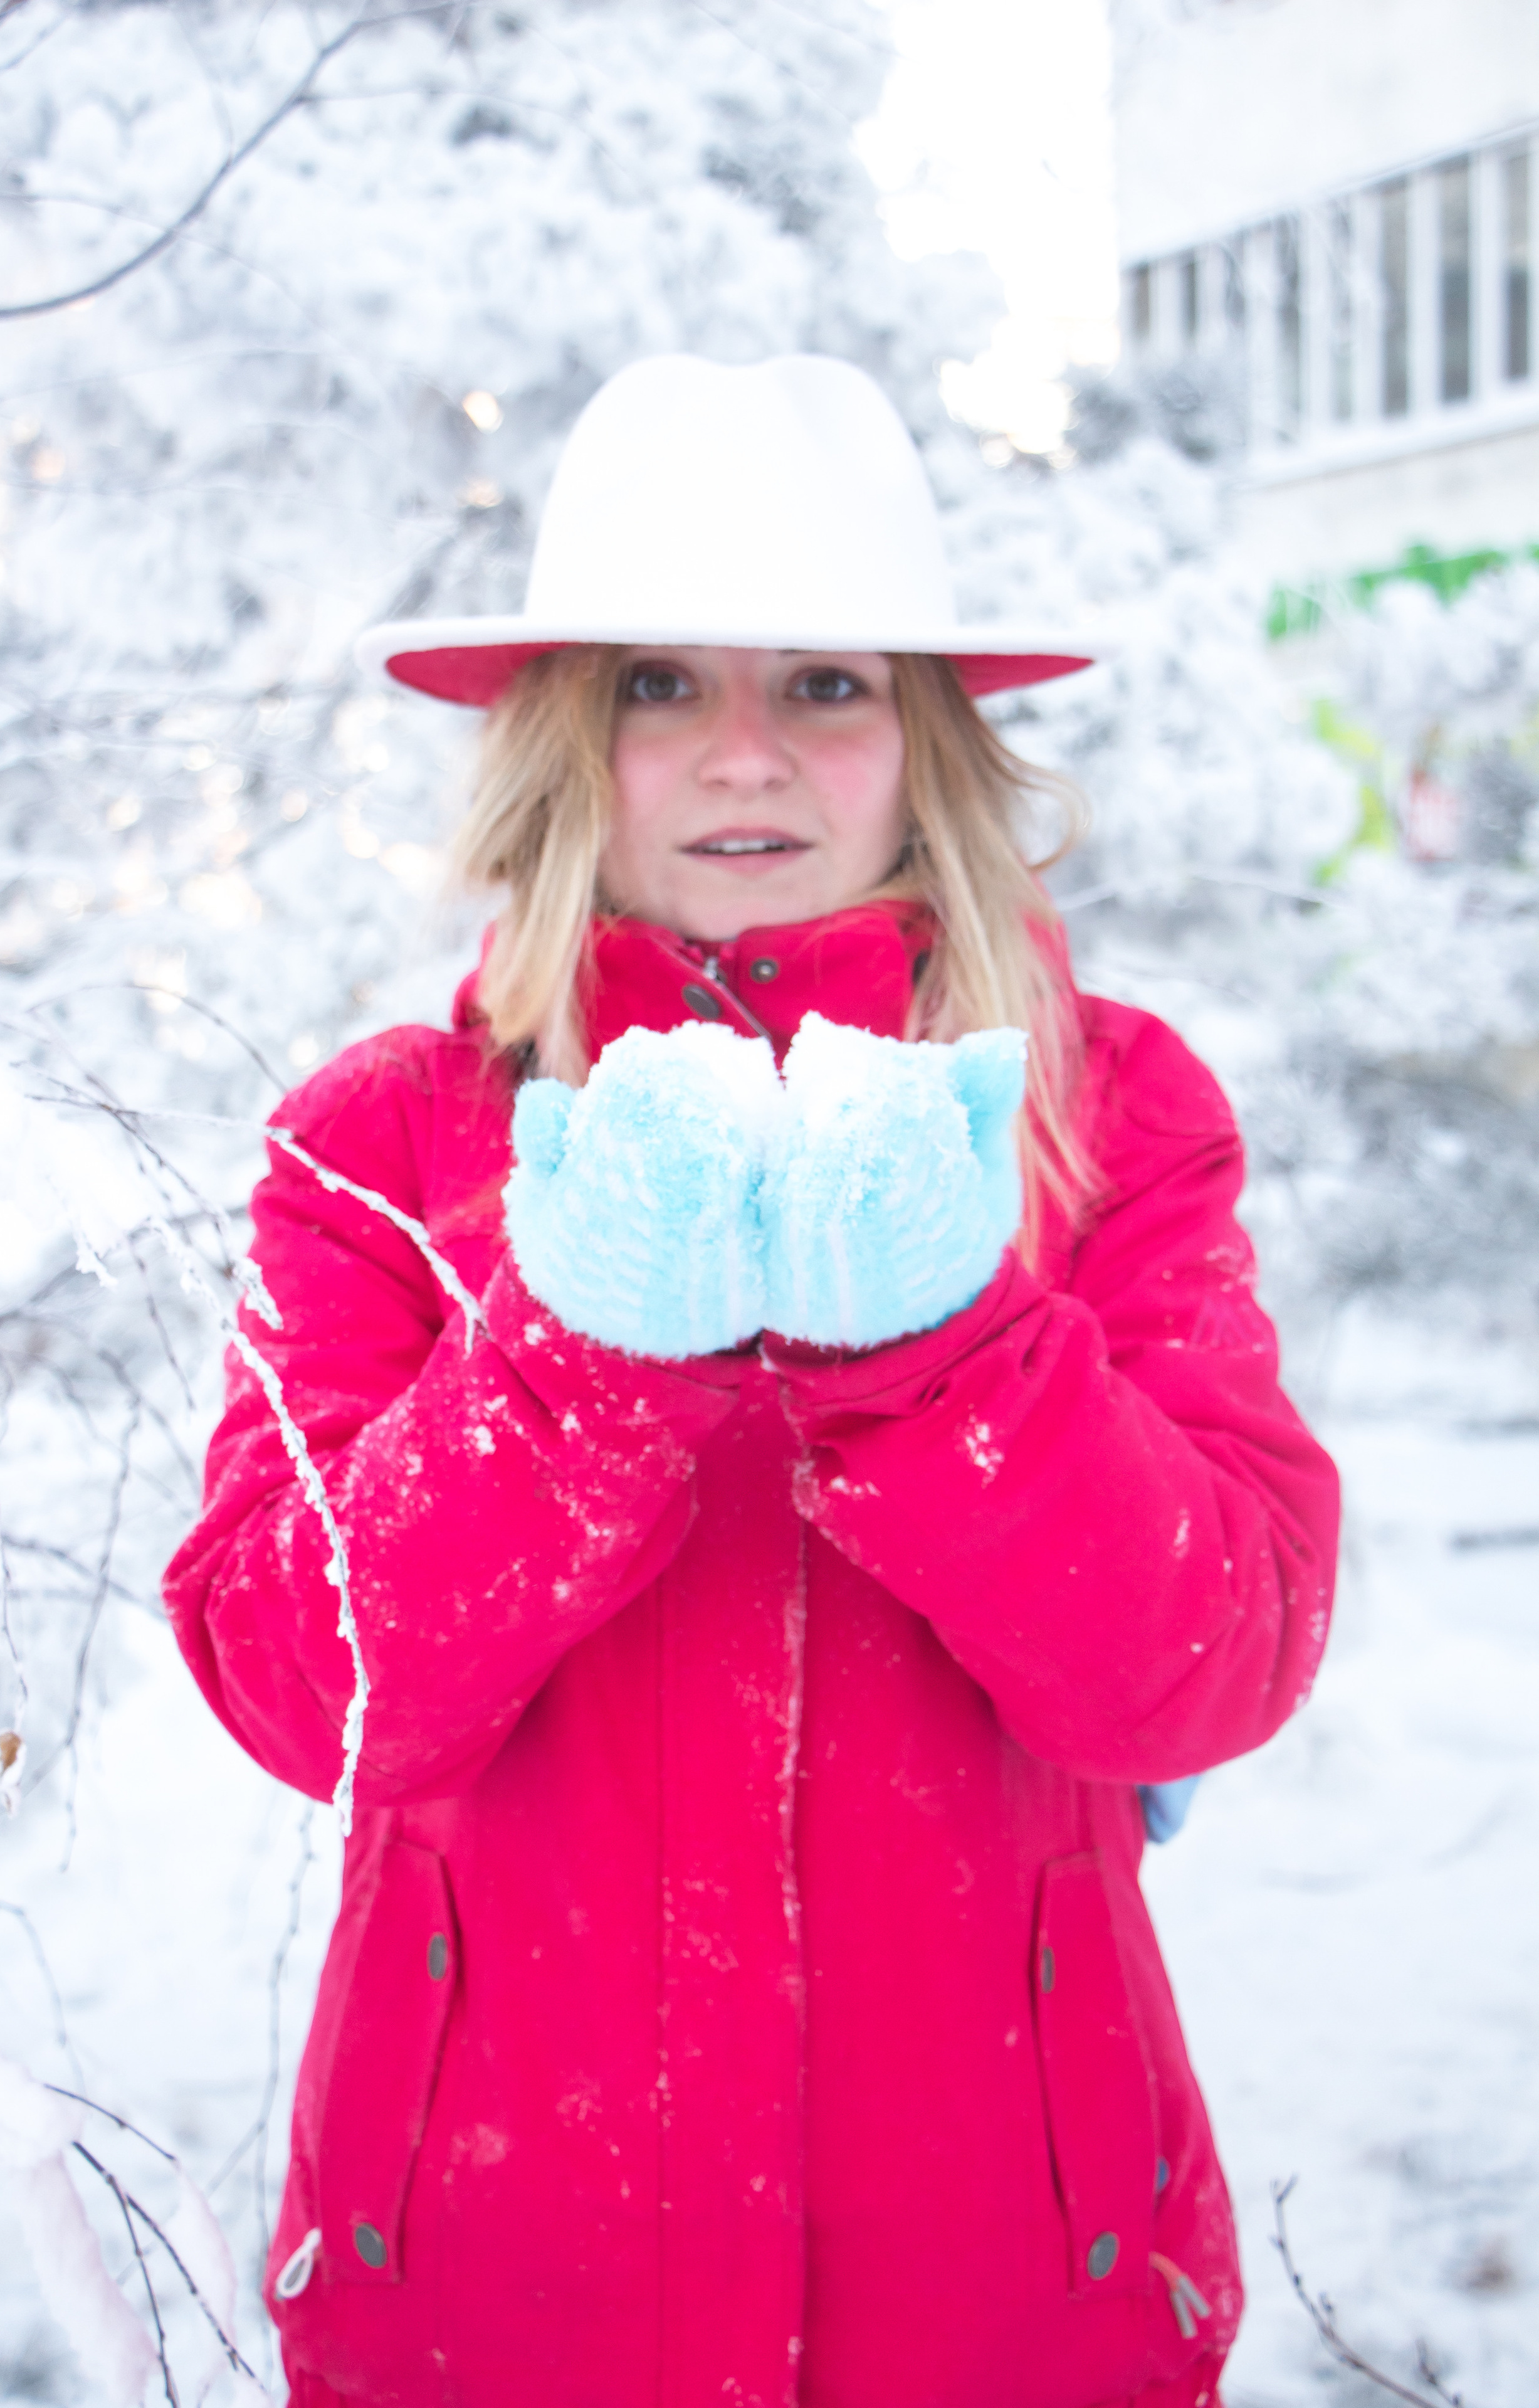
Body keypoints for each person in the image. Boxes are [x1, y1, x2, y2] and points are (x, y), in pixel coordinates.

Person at [164, 354, 1340, 2408]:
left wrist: (951, 1344)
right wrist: (570, 1358)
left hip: (1009, 2304)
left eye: (826, 685)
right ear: (561, 740)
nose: (744, 757)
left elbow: (1209, 1664)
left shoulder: (1106, 1119)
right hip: (492, 2287)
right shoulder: (386, 1144)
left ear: (927, 743)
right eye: (655, 684)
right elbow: (301, 1688)